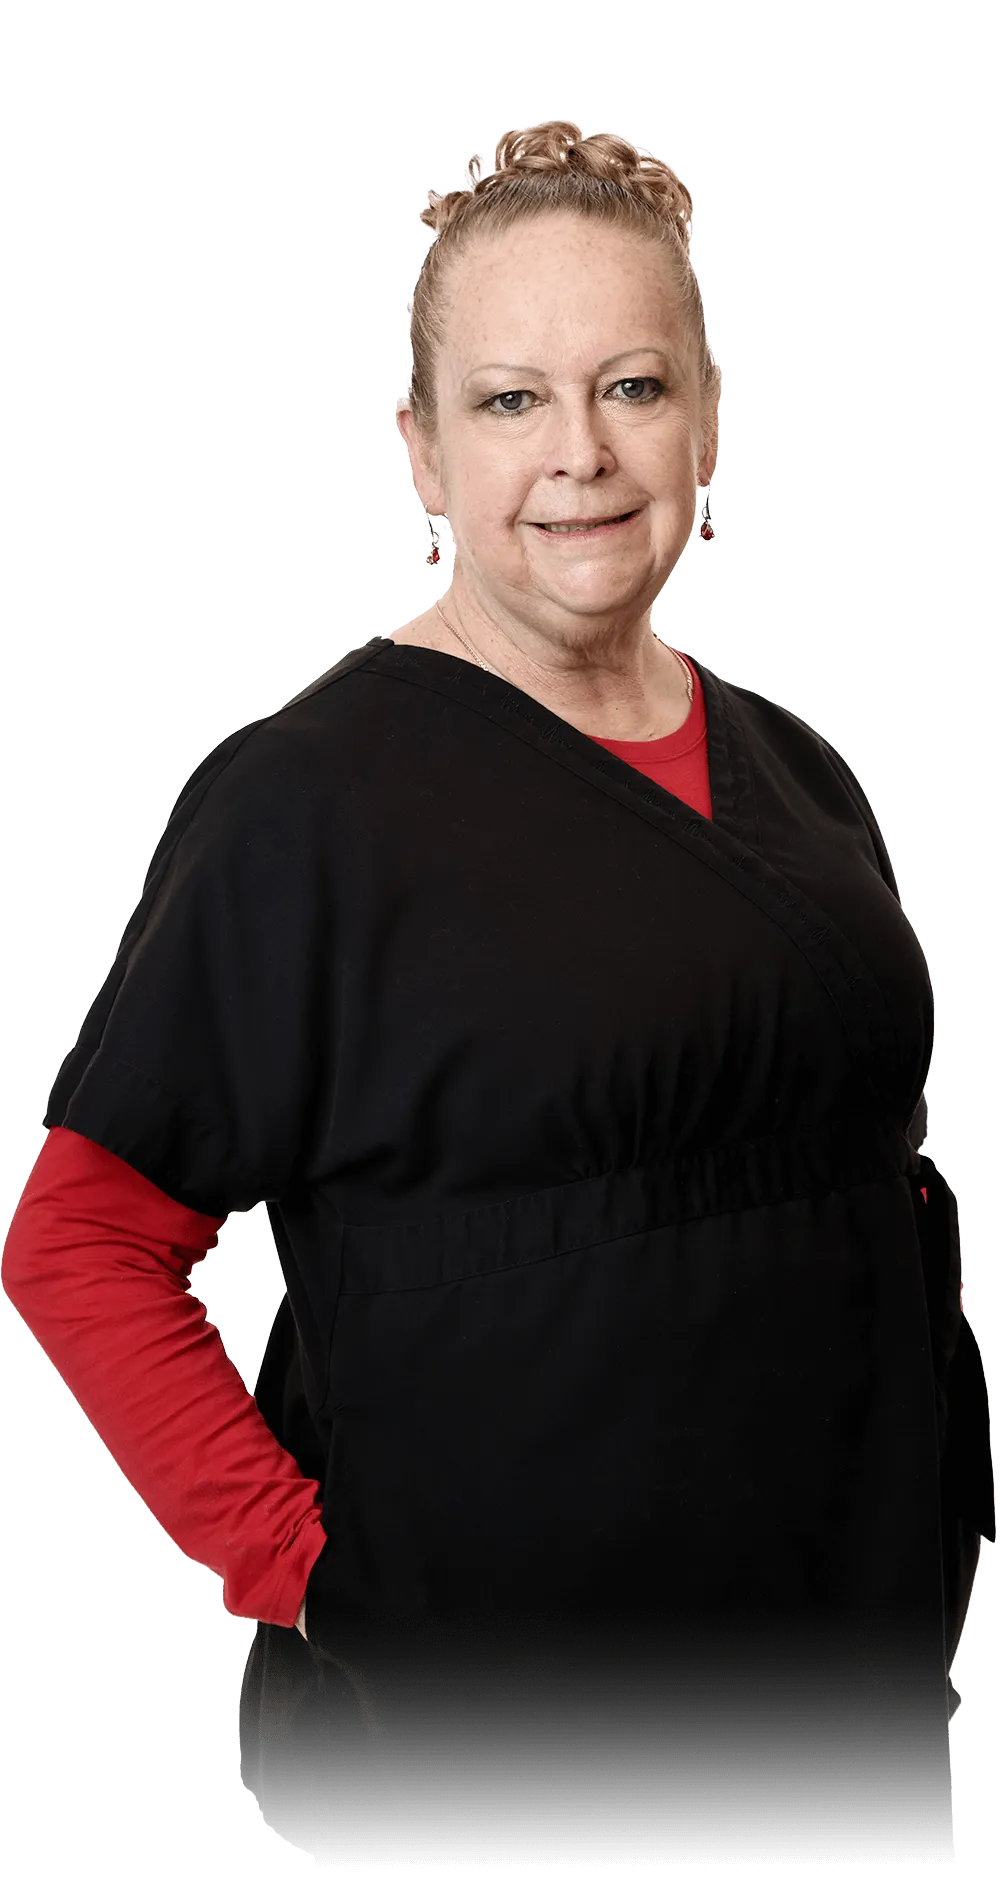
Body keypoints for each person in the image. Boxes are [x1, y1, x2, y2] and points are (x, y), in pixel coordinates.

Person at [1, 122, 993, 1871]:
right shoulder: (309, 800)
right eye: (513, 402)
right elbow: (80, 1241)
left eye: (633, 384)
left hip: (838, 1694)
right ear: (423, 449)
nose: (585, 457)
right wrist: (309, 1572)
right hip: (489, 1738)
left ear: (709, 411)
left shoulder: (799, 766)